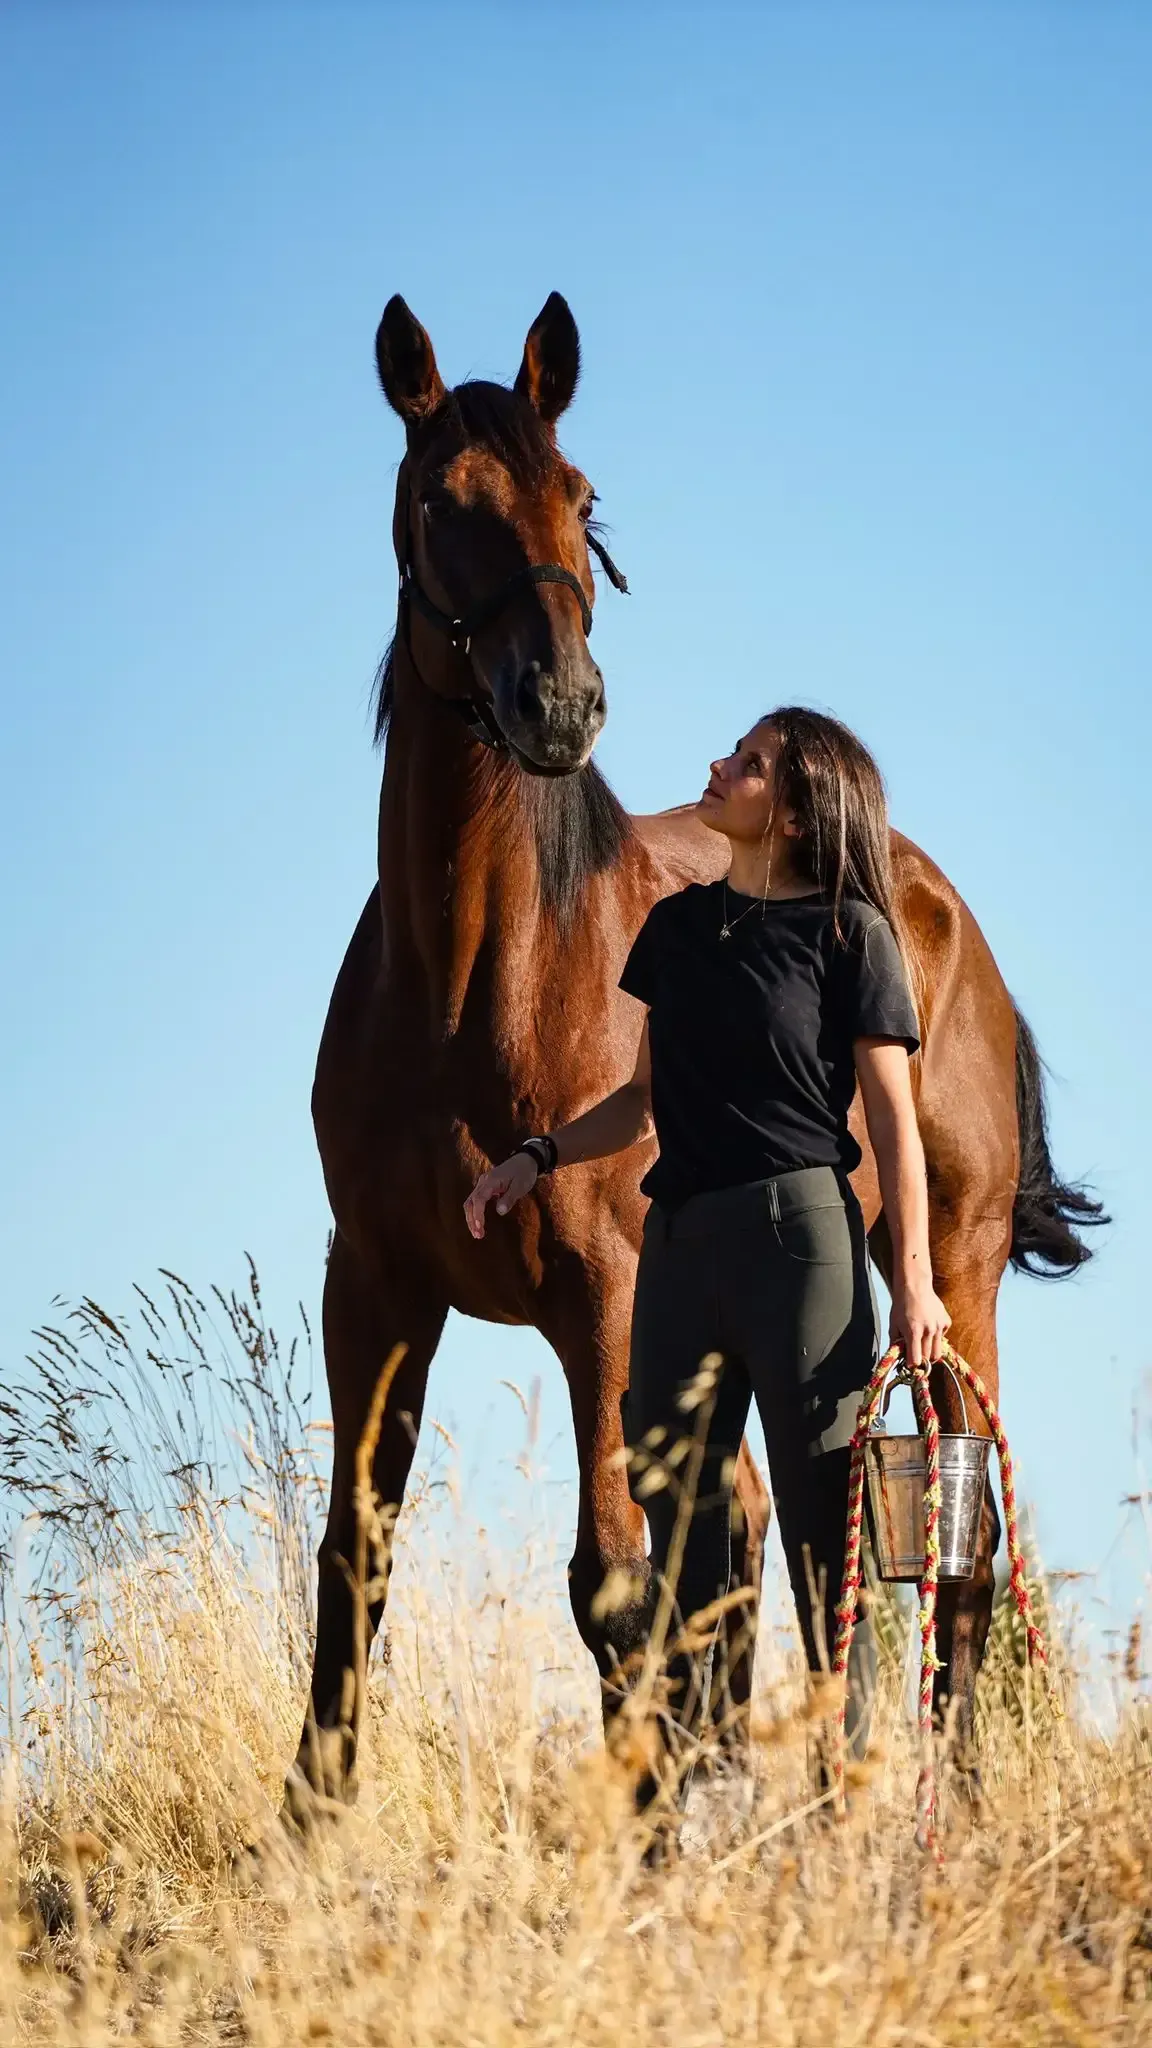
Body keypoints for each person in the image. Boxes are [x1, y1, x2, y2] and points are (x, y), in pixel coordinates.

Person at [465, 706, 950, 1822]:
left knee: (835, 1526)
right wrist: (535, 1156)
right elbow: (640, 1099)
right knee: (680, 1519)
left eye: (749, 761)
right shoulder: (679, 929)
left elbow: (895, 1121)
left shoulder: (851, 937)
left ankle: (858, 1796)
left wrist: (915, 1277)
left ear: (792, 807)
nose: (719, 765)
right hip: (679, 1244)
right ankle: (709, 1792)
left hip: (804, 1247)